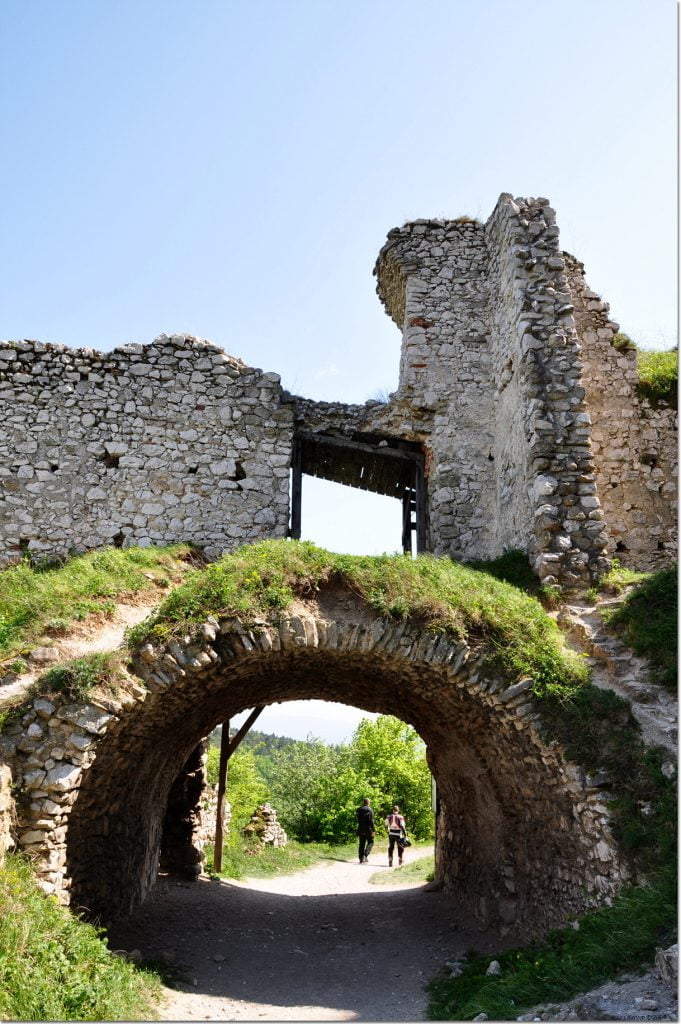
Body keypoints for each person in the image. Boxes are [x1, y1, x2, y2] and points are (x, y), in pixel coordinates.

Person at [355, 797, 375, 864]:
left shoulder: (358, 810)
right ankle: (365, 855)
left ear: (363, 802)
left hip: (360, 828)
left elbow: (357, 820)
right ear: (368, 803)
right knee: (371, 842)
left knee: (362, 844)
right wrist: (373, 830)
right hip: (368, 829)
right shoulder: (370, 810)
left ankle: (361, 858)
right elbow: (371, 821)